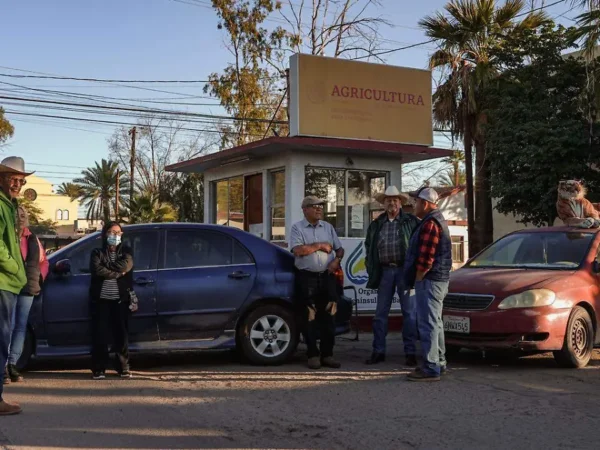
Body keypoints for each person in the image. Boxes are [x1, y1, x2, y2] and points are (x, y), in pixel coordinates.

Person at [364, 186, 420, 366]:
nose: (392, 203)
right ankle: (378, 351)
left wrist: (416, 269)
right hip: (385, 272)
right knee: (380, 314)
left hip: (405, 271)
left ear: (400, 202)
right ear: (384, 203)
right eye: (388, 200)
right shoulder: (376, 224)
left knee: (409, 313)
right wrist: (371, 267)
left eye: (395, 200)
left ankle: (410, 352)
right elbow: (369, 247)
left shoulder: (411, 221)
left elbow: (419, 245)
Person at [403, 187, 452, 382]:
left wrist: (418, 278)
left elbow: (425, 259)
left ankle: (431, 367)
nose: (413, 205)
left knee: (427, 324)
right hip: (437, 279)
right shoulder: (435, 220)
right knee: (435, 323)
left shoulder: (430, 223)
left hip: (430, 280)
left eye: (416, 202)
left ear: (425, 203)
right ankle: (439, 363)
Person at [290, 196, 344, 370]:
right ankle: (312, 355)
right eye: (314, 206)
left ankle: (327, 354)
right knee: (309, 316)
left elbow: (339, 249)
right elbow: (298, 250)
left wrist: (337, 260)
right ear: (305, 209)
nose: (319, 209)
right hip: (307, 278)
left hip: (327, 277)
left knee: (329, 315)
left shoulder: (328, 227)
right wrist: (319, 245)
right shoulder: (297, 228)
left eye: (320, 206)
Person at [5, 207, 49, 383]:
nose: (20, 217)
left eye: (23, 214)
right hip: (8, 286)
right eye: (17, 214)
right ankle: (2, 366)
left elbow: (43, 261)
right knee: (7, 326)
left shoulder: (32, 238)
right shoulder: (6, 236)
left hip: (28, 288)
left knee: (20, 326)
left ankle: (12, 364)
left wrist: (40, 277)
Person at [0, 157, 29, 415]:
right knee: (1, 341)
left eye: (21, 180)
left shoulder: (10, 205)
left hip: (9, 283)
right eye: (13, 179)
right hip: (3, 283)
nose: (18, 184)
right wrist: (13, 267)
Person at [89, 221, 134, 380]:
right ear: (105, 234)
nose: (115, 235)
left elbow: (125, 266)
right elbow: (97, 269)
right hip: (101, 300)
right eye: (111, 232)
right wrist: (117, 274)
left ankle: (123, 367)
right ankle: (99, 368)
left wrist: (108, 266)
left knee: (121, 335)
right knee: (100, 335)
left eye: (118, 232)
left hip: (120, 300)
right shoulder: (97, 252)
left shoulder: (126, 251)